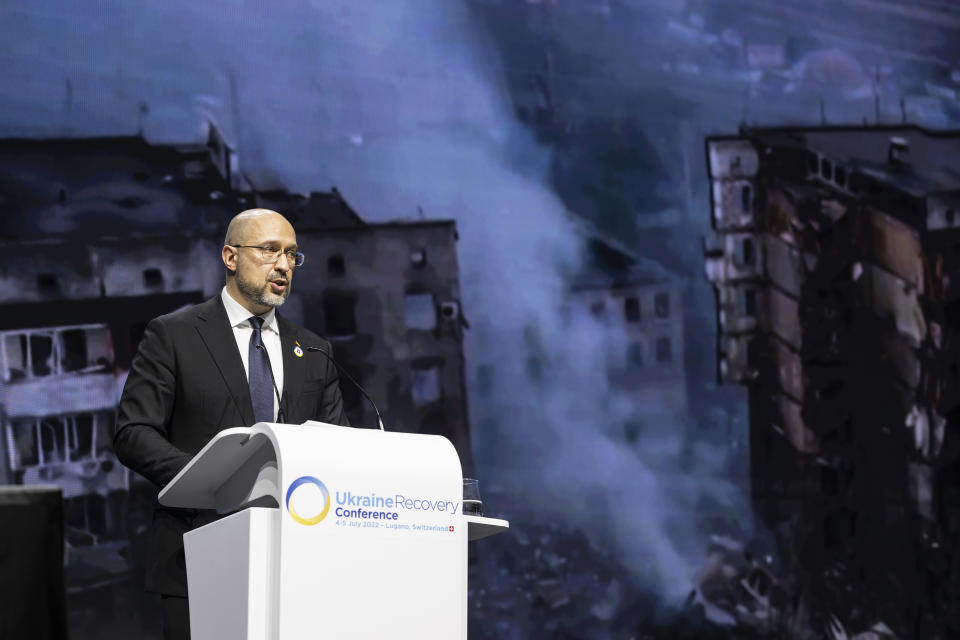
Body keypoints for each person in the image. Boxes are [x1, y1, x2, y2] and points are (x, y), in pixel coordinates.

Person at [114, 209, 351, 639]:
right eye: (269, 251)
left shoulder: (314, 350)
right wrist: (211, 480)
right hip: (199, 550)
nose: (283, 265)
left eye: (292, 255)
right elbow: (134, 432)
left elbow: (339, 448)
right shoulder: (174, 334)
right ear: (230, 257)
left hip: (297, 563)